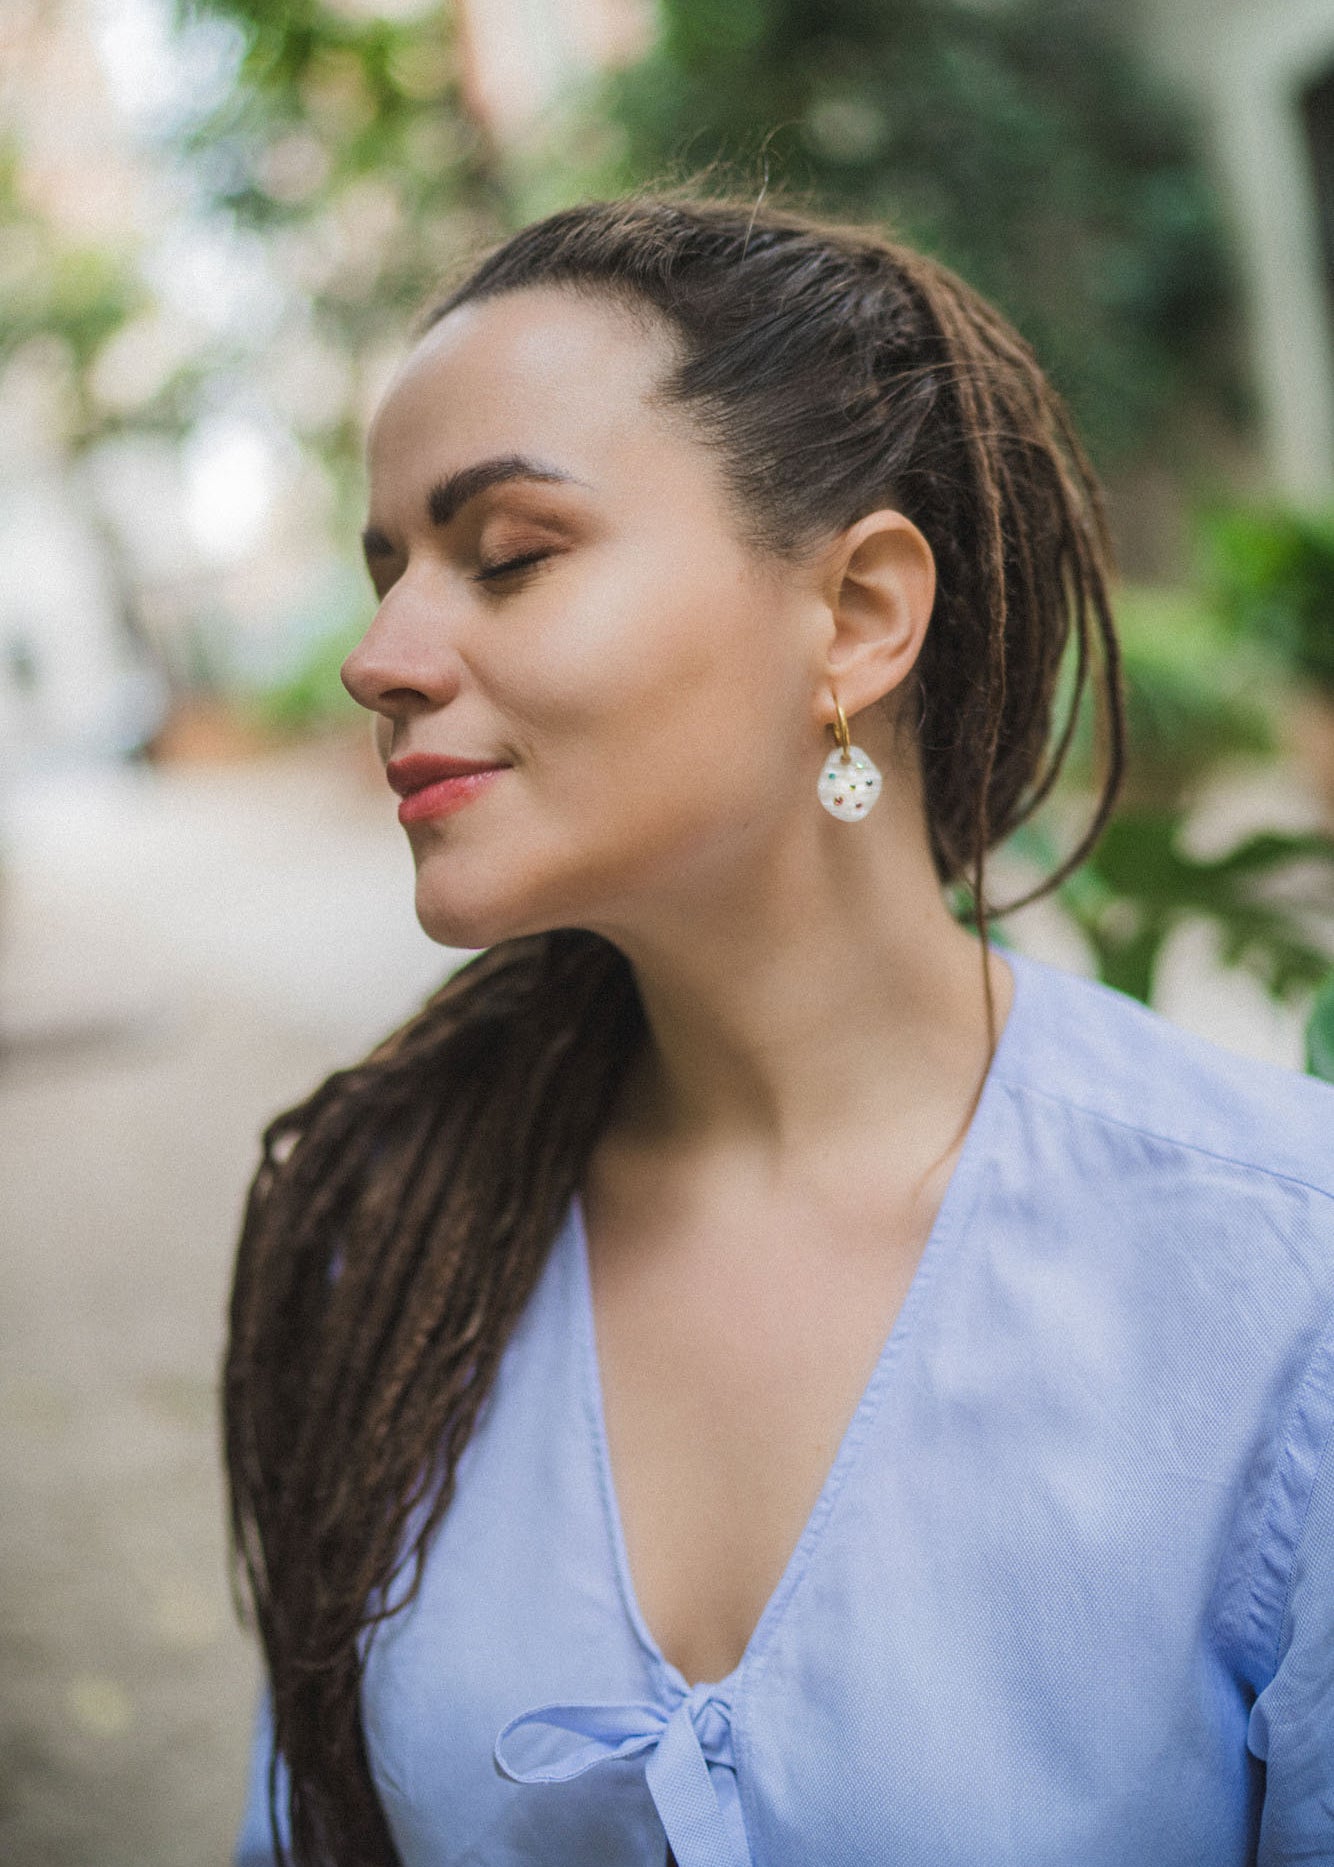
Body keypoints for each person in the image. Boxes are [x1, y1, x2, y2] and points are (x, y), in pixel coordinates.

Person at [229, 191, 1334, 1867]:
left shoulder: (1279, 1279)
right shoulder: (382, 1240)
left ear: (859, 612)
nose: (379, 657)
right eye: (383, 574)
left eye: (507, 557)